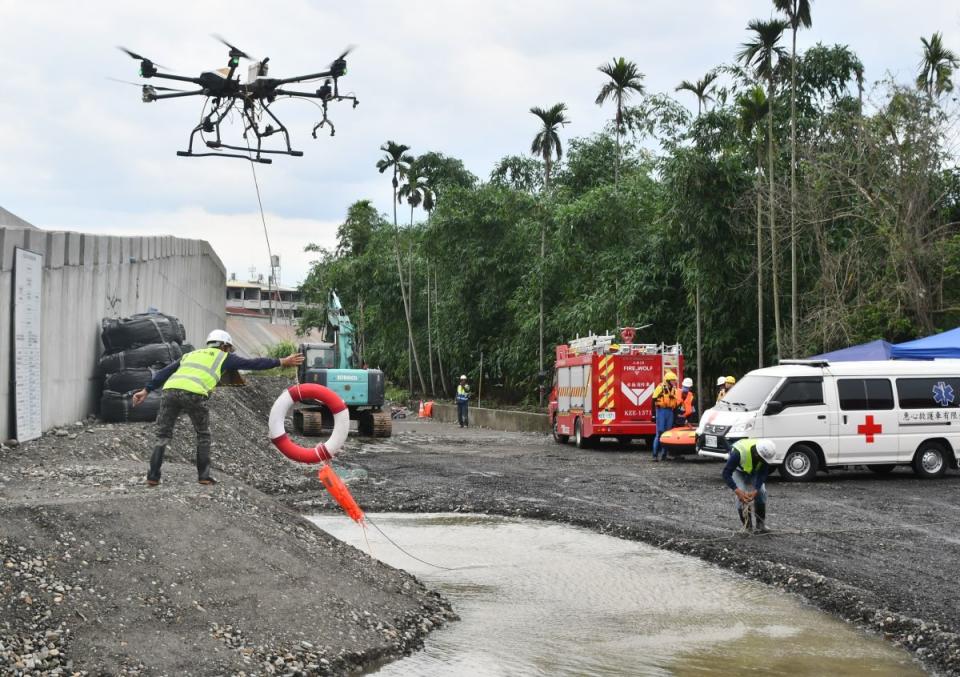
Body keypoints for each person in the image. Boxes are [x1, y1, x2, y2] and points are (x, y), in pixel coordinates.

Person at [132, 330, 304, 486]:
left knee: (162, 435)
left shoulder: (191, 354)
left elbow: (165, 371)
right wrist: (282, 361)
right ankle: (204, 476)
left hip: (170, 391)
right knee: (203, 435)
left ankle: (153, 477)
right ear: (224, 346)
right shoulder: (223, 356)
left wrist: (146, 390)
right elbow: (254, 364)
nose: (230, 352)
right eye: (229, 348)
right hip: (194, 393)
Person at [722, 438, 777, 533]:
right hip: (738, 470)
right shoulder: (737, 454)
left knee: (761, 491)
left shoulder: (764, 455)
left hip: (752, 470)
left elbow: (763, 473)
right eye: (762, 459)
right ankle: (747, 526)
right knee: (742, 495)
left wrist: (756, 490)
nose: (764, 461)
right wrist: (737, 491)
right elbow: (726, 473)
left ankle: (760, 524)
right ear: (757, 454)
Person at [651, 371, 679, 461]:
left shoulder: (674, 389)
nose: (675, 382)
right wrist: (653, 415)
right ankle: (655, 455)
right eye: (673, 380)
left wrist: (675, 417)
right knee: (659, 433)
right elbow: (653, 400)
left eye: (675, 380)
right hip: (661, 411)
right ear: (668, 380)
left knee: (667, 434)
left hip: (670, 412)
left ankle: (664, 455)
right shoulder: (660, 388)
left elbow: (675, 404)